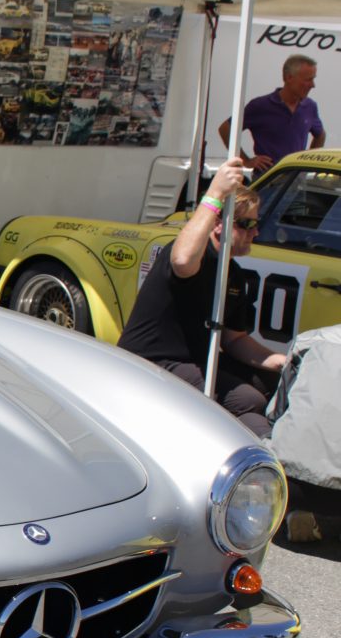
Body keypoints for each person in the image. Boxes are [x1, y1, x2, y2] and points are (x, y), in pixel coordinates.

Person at [117, 158, 286, 437]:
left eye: (257, 224)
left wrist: (279, 361)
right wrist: (215, 192)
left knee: (273, 382)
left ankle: (270, 444)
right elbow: (183, 261)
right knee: (248, 399)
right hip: (151, 362)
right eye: (247, 224)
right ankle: (255, 445)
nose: (255, 232)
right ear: (219, 224)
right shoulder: (193, 254)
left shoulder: (233, 274)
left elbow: (235, 340)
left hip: (193, 361)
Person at [218, 54, 325, 176]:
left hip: (295, 182)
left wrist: (307, 164)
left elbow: (320, 135)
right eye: (308, 80)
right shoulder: (260, 106)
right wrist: (246, 161)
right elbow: (225, 129)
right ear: (289, 78)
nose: (312, 85)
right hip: (267, 181)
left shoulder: (310, 106)